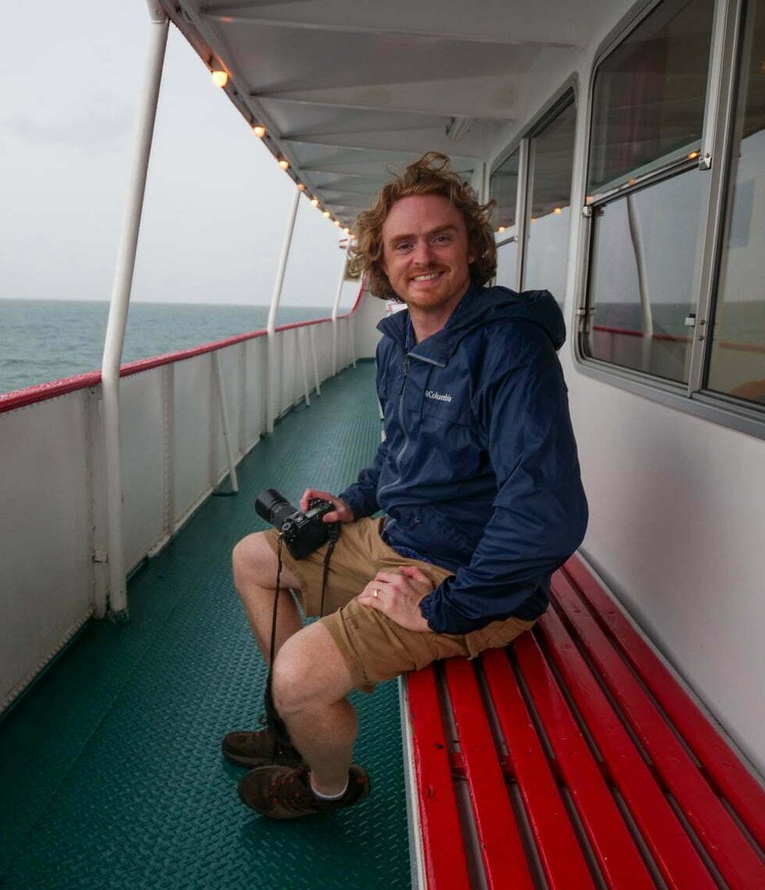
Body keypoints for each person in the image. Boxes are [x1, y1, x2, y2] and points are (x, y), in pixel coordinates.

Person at [224, 151, 589, 818]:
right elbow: (399, 451)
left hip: (470, 579)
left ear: (473, 249)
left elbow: (547, 516)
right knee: (252, 558)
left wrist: (439, 611)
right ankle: (289, 727)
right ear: (382, 264)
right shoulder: (398, 344)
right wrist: (355, 502)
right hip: (396, 535)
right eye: (403, 244)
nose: (422, 256)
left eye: (441, 237)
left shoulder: (509, 349)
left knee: (300, 676)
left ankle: (325, 787)